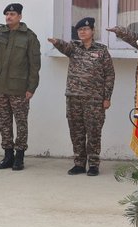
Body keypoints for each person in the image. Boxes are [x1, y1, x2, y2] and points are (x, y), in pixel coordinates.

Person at [0, 3, 41, 171]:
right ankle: (8, 155)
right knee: (4, 122)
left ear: (20, 16)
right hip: (0, 86)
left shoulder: (29, 37)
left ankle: (19, 156)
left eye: (12, 14)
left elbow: (35, 65)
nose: (9, 17)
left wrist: (31, 87)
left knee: (21, 123)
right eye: (7, 14)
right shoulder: (0, 32)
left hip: (19, 87)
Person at [48, 17, 115, 176]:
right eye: (79, 30)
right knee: (76, 131)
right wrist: (56, 41)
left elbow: (110, 75)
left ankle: (93, 164)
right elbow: (64, 47)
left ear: (92, 31)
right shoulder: (74, 48)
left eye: (85, 29)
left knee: (93, 132)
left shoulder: (101, 50)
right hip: (73, 97)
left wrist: (107, 97)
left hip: (94, 99)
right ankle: (79, 163)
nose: (82, 32)